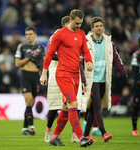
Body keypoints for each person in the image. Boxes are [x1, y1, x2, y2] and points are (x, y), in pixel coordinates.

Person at [40, 9, 94, 147]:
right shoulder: (60, 34)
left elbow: (85, 51)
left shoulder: (81, 34)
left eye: (81, 23)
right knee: (73, 105)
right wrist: (44, 73)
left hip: (76, 75)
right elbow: (49, 54)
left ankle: (54, 137)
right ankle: (81, 137)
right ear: (70, 20)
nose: (78, 26)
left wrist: (88, 61)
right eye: (76, 23)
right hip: (63, 75)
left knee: (65, 107)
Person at [82, 17, 127, 142]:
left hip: (104, 79)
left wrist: (122, 72)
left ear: (103, 27)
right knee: (97, 105)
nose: (99, 28)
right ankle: (103, 132)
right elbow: (80, 60)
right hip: (92, 79)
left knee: (94, 108)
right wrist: (82, 79)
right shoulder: (86, 42)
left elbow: (116, 59)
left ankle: (85, 135)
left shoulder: (108, 42)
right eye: (96, 26)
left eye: (101, 25)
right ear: (92, 28)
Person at [15, 26, 45, 135]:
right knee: (28, 101)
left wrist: (45, 74)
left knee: (31, 104)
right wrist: (29, 57)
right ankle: (32, 127)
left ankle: (24, 128)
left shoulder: (40, 47)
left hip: (36, 76)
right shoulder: (22, 46)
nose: (28, 36)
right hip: (25, 75)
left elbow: (45, 60)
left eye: (30, 34)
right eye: (27, 34)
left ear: (35, 35)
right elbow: (17, 64)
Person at [130, 34, 140, 136]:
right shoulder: (137, 54)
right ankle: (134, 129)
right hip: (139, 84)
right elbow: (134, 70)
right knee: (136, 105)